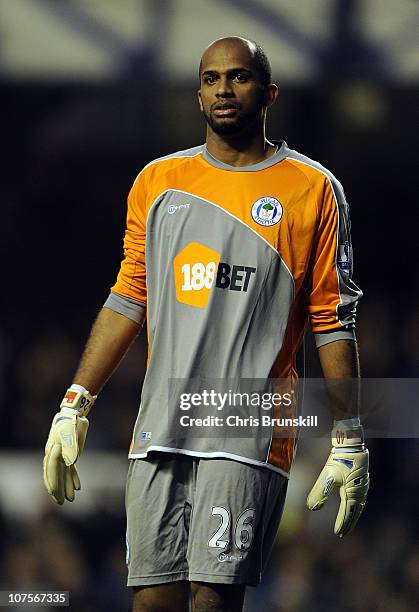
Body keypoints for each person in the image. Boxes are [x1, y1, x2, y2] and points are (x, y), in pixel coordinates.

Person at [43, 36, 369, 612]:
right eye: (212, 78)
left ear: (268, 92)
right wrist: (76, 400)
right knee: (150, 601)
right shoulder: (158, 183)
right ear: (198, 94)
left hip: (248, 426)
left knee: (212, 600)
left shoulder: (313, 188)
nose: (224, 88)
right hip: (161, 422)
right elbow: (129, 296)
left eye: (239, 77)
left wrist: (349, 436)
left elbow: (331, 319)